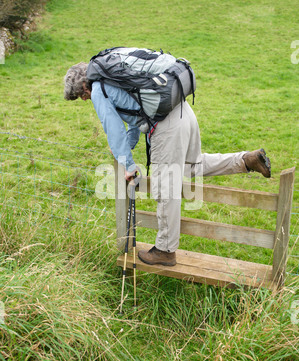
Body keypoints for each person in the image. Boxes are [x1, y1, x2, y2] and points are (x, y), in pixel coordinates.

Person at [64, 61, 271, 267]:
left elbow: (114, 129)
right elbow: (135, 119)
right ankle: (246, 160)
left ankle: (165, 250)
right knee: (192, 166)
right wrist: (128, 148)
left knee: (165, 188)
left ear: (84, 85)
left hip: (166, 125)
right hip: (182, 111)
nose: (85, 99)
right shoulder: (115, 79)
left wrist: (127, 165)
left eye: (82, 96)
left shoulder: (99, 90)